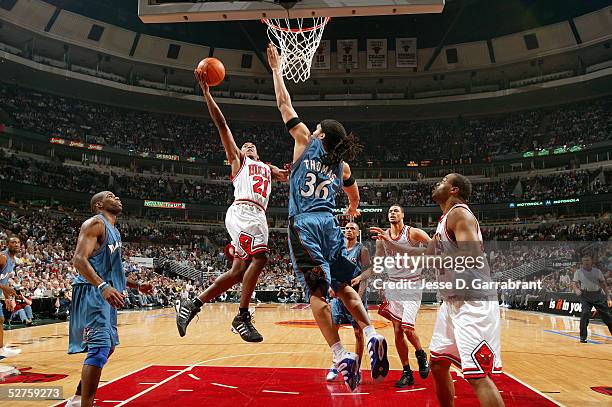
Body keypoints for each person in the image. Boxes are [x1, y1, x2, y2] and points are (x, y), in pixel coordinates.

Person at [268, 43, 389, 392]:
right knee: (343, 286)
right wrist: (352, 210)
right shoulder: (342, 165)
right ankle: (370, 331)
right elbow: (354, 195)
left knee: (317, 296)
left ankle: (340, 355)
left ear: (320, 133)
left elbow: (283, 104)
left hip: (304, 224)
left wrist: (277, 68)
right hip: (330, 225)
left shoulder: (305, 140)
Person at [176, 71, 289, 343]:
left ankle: (192, 304)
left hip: (259, 216)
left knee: (238, 271)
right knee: (260, 258)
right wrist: (207, 93)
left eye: (252, 145)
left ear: (259, 153)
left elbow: (287, 173)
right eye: (245, 144)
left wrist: (291, 170)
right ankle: (242, 315)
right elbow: (222, 125)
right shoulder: (239, 160)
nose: (248, 145)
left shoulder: (267, 168)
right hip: (243, 211)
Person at [65, 191, 153, 407]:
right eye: (111, 196)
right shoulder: (95, 223)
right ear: (99, 204)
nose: (118, 198)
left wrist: (136, 286)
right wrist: (102, 286)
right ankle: (85, 404)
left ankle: (77, 398)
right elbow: (78, 259)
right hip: (91, 291)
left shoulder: (115, 231)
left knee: (108, 346)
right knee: (99, 347)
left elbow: (112, 270)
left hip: (104, 292)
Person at [429, 174, 504, 407]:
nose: (437, 183)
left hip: (473, 301)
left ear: (454, 190)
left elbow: (471, 255)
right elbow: (424, 254)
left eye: (443, 180)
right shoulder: (444, 220)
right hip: (452, 303)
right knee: (438, 363)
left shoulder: (459, 213)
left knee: (478, 376)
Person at [353, 205, 430, 387]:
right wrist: (363, 277)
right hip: (393, 285)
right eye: (390, 211)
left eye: (396, 210)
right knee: (397, 331)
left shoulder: (414, 233)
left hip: (412, 283)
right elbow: (378, 266)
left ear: (403, 215)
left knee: (407, 327)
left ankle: (420, 353)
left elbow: (435, 248)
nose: (392, 213)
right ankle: (407, 372)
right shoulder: (382, 239)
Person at [326, 222, 370, 382]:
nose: (349, 230)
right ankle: (336, 363)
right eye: (347, 228)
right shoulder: (338, 249)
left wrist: (359, 279)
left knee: (358, 333)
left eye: (352, 228)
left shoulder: (361, 249)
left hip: (355, 295)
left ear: (357, 233)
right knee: (333, 329)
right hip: (338, 294)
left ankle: (356, 369)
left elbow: (369, 270)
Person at [572, 255, 612, 343]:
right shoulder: (578, 272)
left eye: (588, 260)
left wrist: (609, 298)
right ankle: (583, 337)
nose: (586, 262)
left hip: (597, 295)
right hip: (585, 296)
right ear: (582, 262)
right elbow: (574, 284)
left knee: (607, 317)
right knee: (585, 313)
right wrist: (576, 289)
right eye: (584, 260)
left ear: (591, 261)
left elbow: (604, 285)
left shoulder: (597, 272)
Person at [0, 236, 22, 360]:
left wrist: (7, 297)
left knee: (0, 320)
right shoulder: (3, 257)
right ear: (7, 244)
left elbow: (4, 279)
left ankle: (1, 349)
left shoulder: (13, 260)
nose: (16, 244)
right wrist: (4, 289)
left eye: (18, 242)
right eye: (13, 242)